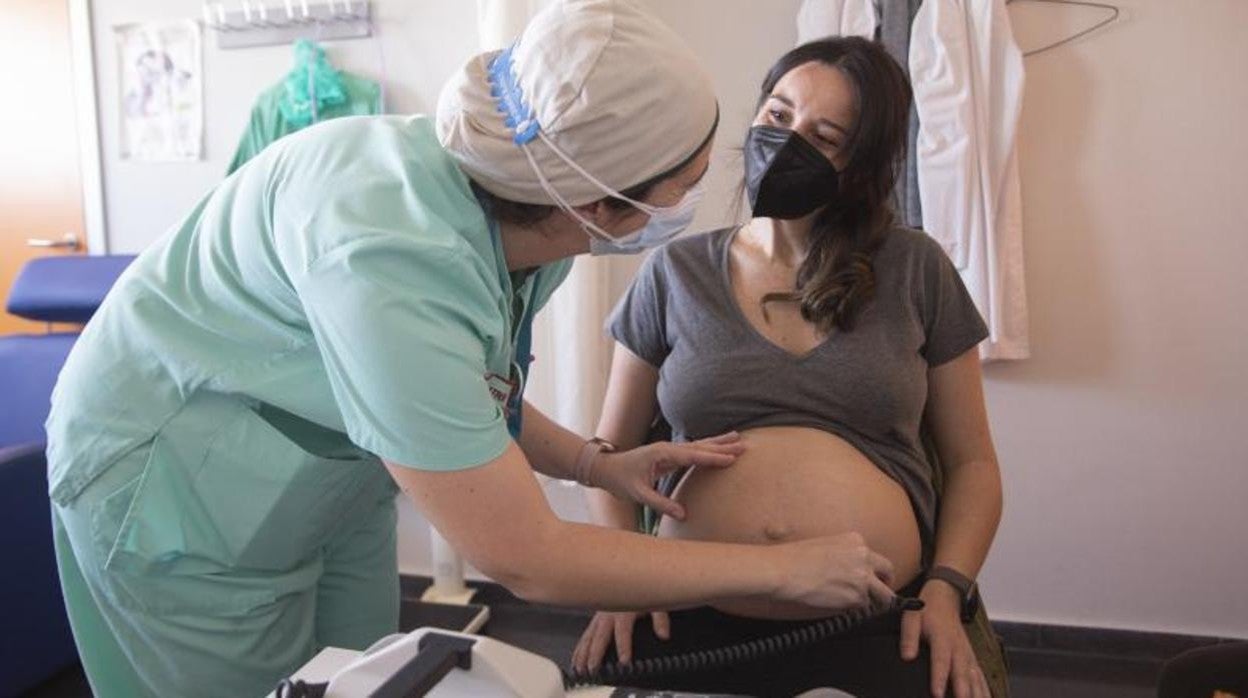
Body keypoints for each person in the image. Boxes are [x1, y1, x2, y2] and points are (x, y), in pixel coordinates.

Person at [45, 3, 899, 696]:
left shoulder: (527, 216)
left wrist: (594, 465)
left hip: (330, 477)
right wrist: (779, 570)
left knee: (374, 676)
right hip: (179, 492)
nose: (693, 200)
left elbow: (465, 387)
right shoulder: (387, 252)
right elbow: (523, 558)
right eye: (681, 185)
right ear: (600, 206)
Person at [572, 36, 1005, 698]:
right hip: (687, 605)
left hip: (872, 617)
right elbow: (611, 452)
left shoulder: (917, 269)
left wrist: (947, 592)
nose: (788, 141)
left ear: (860, 165)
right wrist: (621, 577)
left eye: (823, 135)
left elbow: (973, 464)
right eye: (778, 116)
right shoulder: (674, 273)